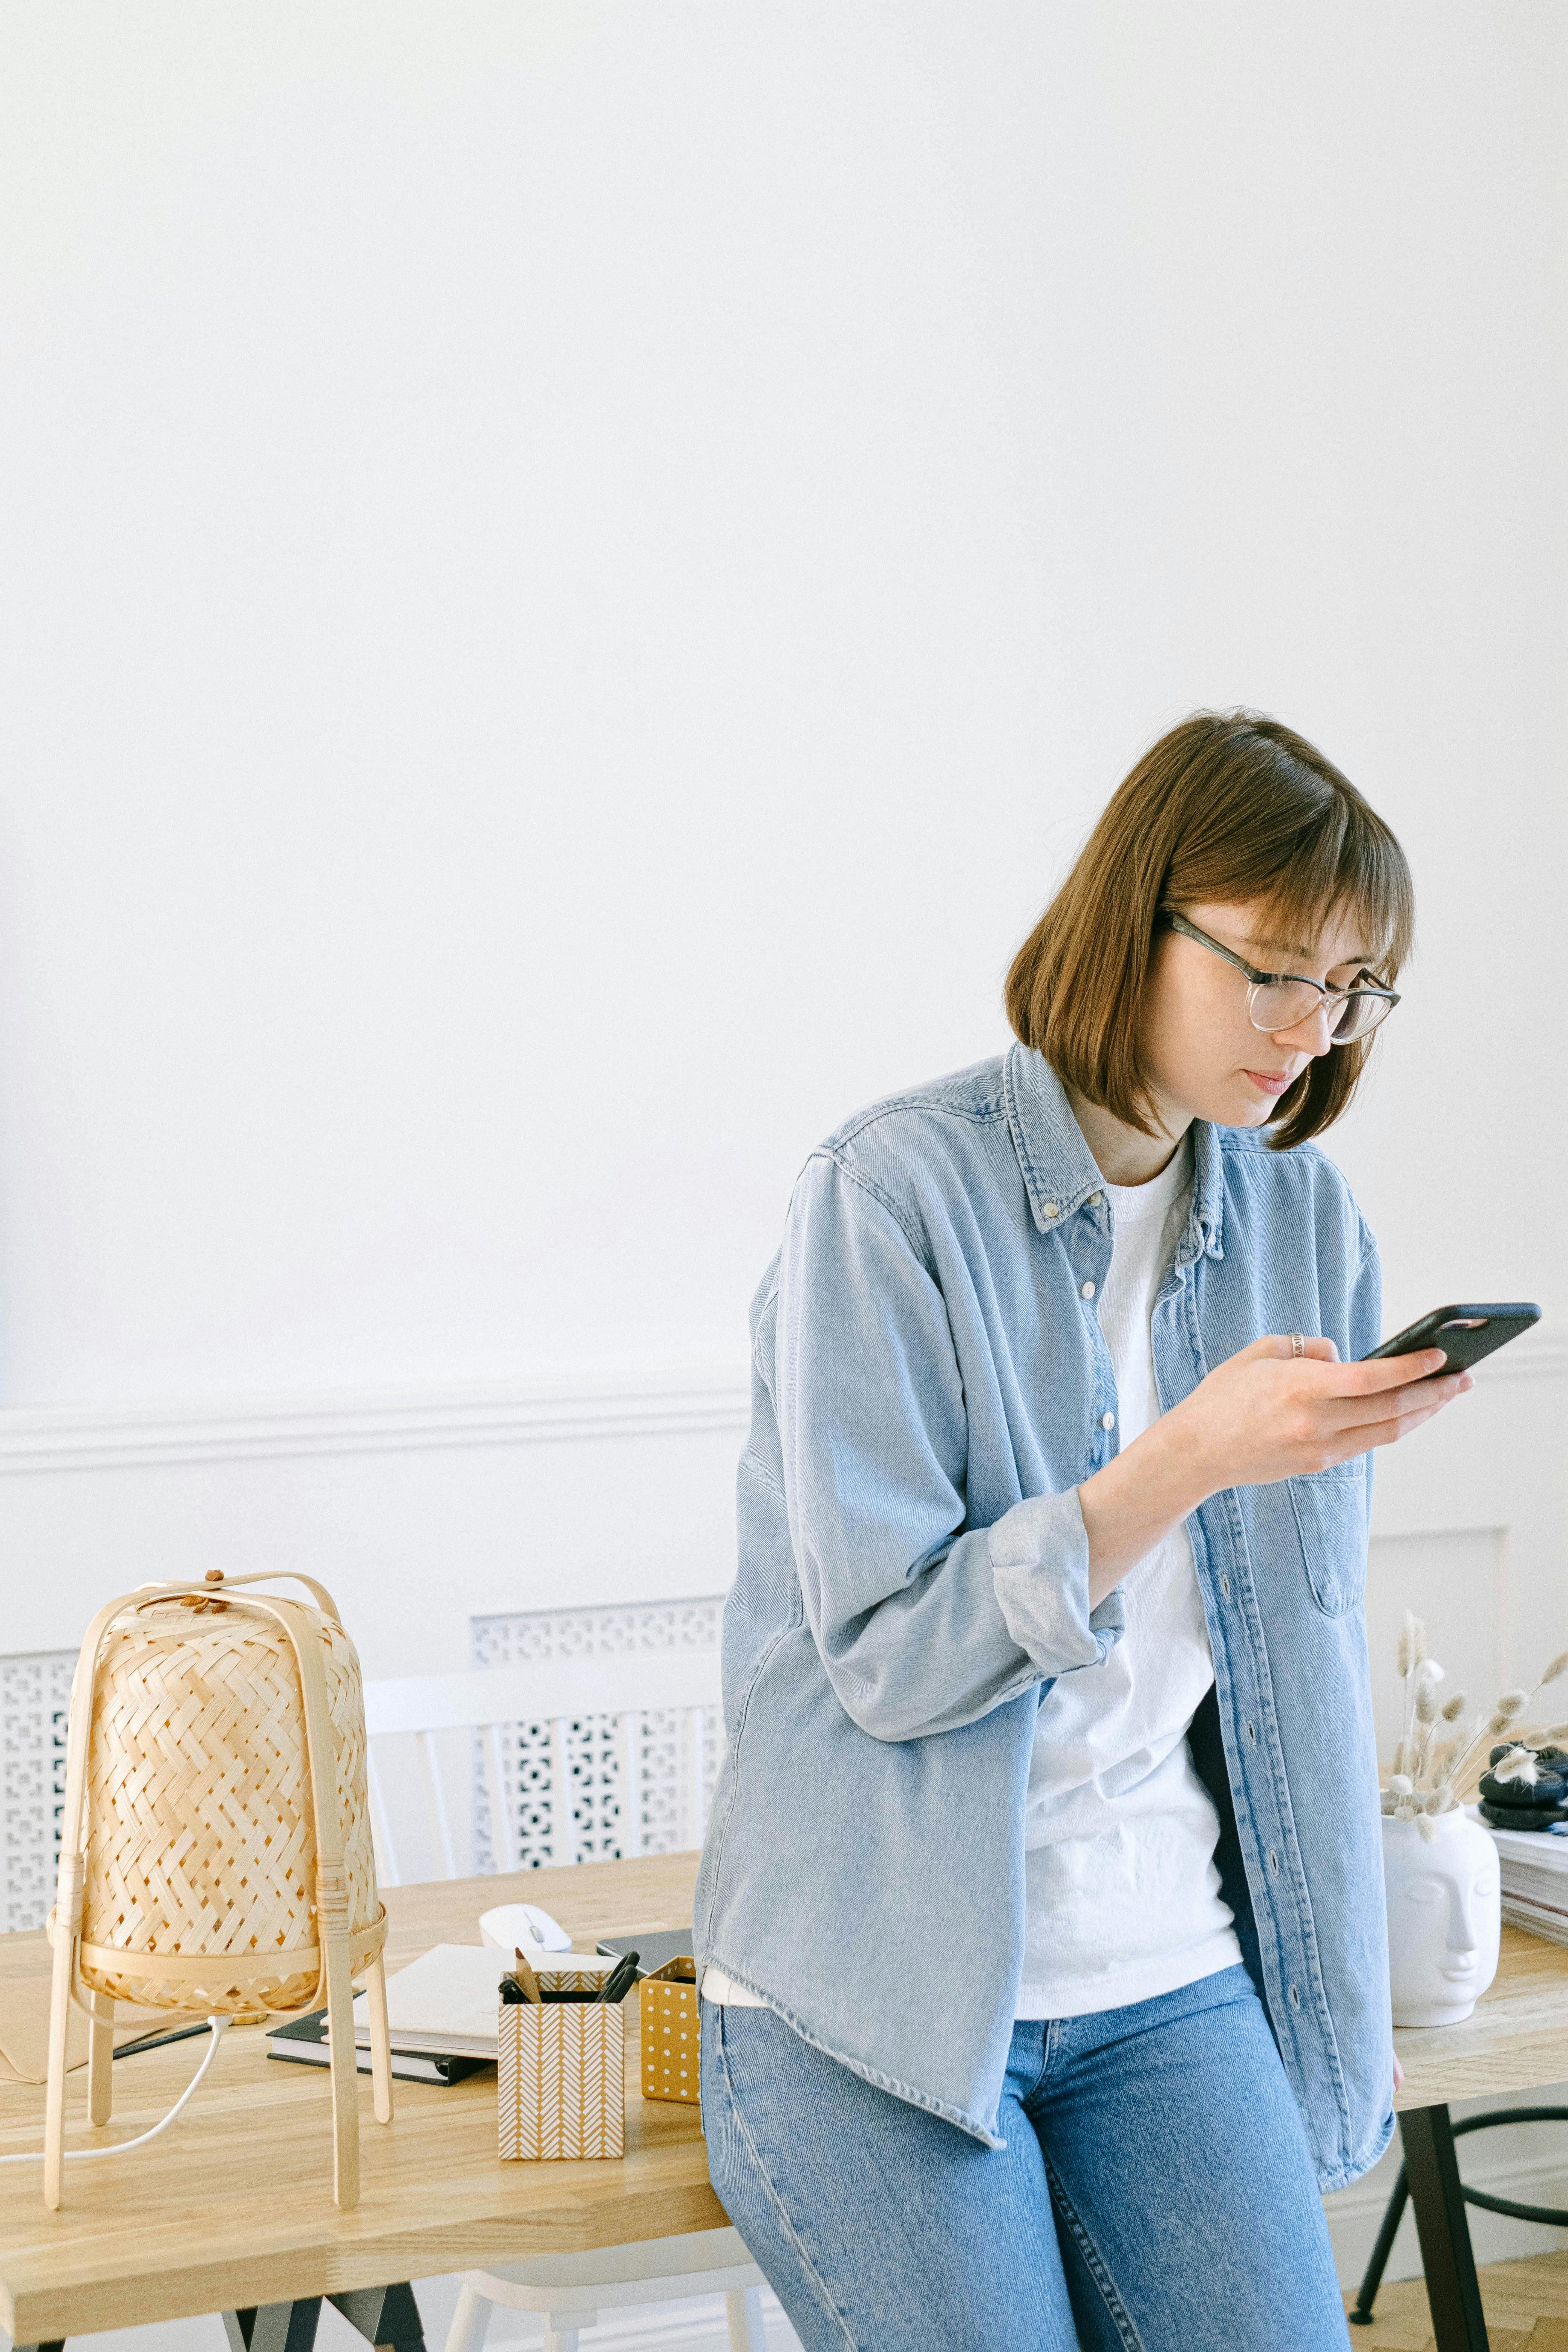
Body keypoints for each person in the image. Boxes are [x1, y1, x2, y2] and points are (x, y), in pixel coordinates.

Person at [692, 711, 1472, 2352]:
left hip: (1163, 1976)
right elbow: (891, 1660)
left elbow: (1299, 1659)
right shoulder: (888, 1199)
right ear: (1139, 918)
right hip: (874, 1999)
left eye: (1350, 987)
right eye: (1272, 968)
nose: (1310, 1029)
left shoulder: (1301, 1223)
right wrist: (1175, 1463)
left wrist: (1324, 1987)